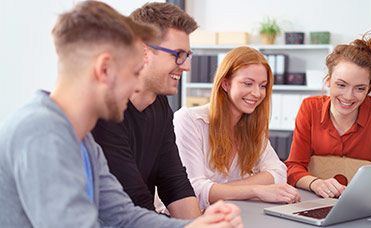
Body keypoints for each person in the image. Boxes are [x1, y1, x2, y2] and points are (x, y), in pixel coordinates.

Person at [0, 1, 243, 227]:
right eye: (133, 73)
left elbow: (123, 216)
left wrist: (194, 226)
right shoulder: (42, 133)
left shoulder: (83, 141)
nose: (136, 88)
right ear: (104, 70)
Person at [91, 2, 202, 219]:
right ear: (143, 51)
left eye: (188, 55)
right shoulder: (106, 112)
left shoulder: (160, 106)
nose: (186, 66)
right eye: (177, 55)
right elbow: (132, 203)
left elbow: (174, 182)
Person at [284, 33, 371, 215]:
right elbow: (293, 167)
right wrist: (316, 183)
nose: (348, 96)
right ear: (328, 80)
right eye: (341, 85)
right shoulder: (310, 108)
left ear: (369, 88)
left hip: (370, 211)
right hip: (316, 206)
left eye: (360, 88)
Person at [173, 46, 301, 210]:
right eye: (248, 83)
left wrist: (221, 190)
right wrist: (256, 189)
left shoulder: (252, 126)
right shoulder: (189, 120)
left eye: (263, 86)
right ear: (225, 84)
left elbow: (279, 172)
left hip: (232, 215)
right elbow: (193, 190)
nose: (257, 93)